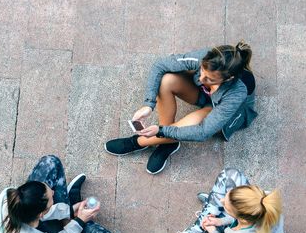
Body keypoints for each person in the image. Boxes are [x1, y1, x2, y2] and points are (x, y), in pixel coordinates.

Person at [105, 42, 258, 174]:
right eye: (202, 71)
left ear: (228, 79)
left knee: (196, 124)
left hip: (223, 112)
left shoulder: (237, 92)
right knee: (167, 80)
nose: (200, 78)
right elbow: (160, 65)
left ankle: (138, 142)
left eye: (209, 79)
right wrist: (148, 104)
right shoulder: (206, 58)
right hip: (204, 95)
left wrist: (161, 130)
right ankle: (169, 142)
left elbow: (203, 132)